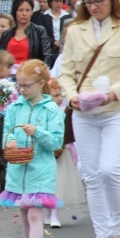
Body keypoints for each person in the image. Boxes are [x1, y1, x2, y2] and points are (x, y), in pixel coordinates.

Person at [58, 0, 120, 238]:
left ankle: (118, 234)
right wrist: (70, 95)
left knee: (110, 170)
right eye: (89, 2)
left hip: (114, 111)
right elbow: (66, 72)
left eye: (100, 1)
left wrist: (113, 93)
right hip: (83, 112)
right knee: (92, 177)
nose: (95, 7)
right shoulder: (74, 31)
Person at [0, 60, 64, 238]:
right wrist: (9, 143)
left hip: (41, 169)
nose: (22, 90)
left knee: (35, 212)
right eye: (19, 86)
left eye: (27, 85)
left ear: (41, 83)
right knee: (25, 214)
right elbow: (7, 132)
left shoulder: (52, 109)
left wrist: (36, 132)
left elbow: (56, 142)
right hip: (18, 169)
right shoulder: (15, 108)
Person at [45, 79, 85, 228]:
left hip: (63, 151)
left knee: (59, 184)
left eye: (60, 95)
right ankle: (48, 213)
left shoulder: (65, 110)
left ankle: (55, 214)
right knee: (48, 185)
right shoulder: (44, 111)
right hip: (48, 152)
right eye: (55, 95)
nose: (59, 98)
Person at [0, 0, 52, 66]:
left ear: (32, 12)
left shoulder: (39, 31)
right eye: (20, 10)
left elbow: (47, 57)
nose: (24, 14)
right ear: (15, 12)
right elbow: (0, 58)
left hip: (31, 73)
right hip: (8, 73)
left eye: (27, 10)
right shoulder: (6, 34)